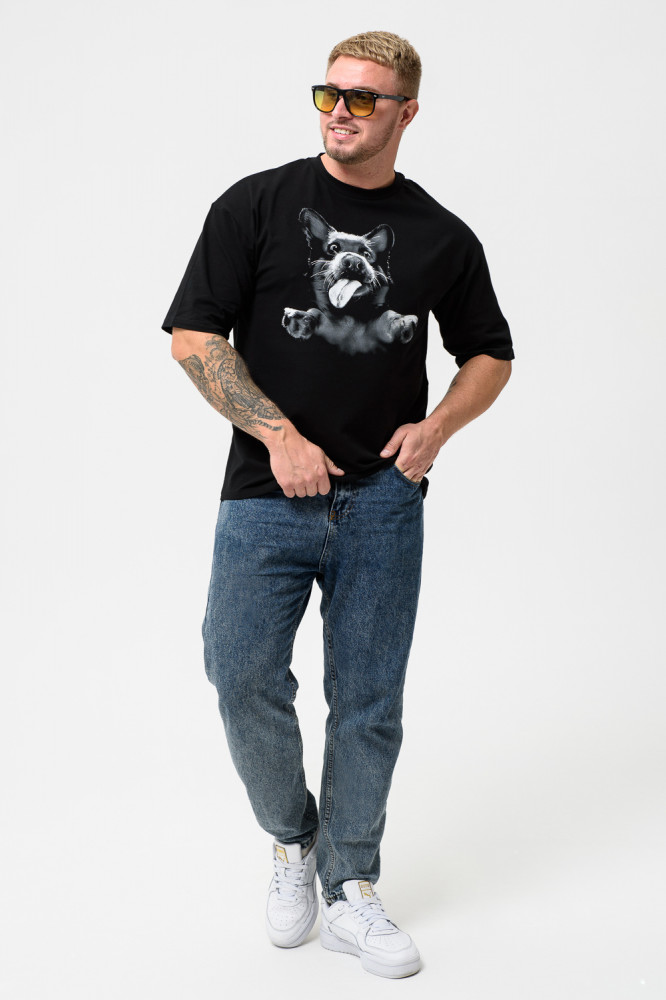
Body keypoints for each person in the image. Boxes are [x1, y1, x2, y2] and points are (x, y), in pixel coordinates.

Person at [162, 30, 513, 979]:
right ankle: (295, 840)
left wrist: (436, 430)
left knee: (367, 705)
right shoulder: (257, 204)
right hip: (263, 496)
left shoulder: (441, 234)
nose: (342, 112)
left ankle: (352, 884)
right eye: (330, 94)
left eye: (364, 98)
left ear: (406, 111)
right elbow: (193, 336)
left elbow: (490, 352)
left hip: (383, 502)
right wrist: (279, 437)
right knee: (239, 673)